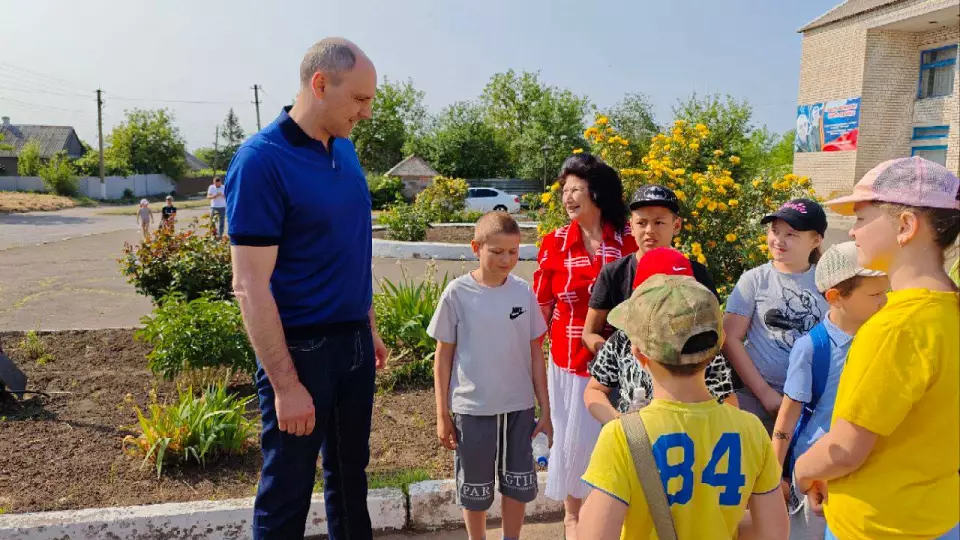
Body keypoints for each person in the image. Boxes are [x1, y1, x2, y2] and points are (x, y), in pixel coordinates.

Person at [225, 38, 387, 540]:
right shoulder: (261, 161)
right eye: (359, 100)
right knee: (287, 491)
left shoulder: (345, 149)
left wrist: (369, 326)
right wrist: (286, 384)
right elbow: (248, 284)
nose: (365, 113)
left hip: (354, 345)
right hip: (301, 350)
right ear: (320, 84)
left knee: (349, 483)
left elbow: (350, 246)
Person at [795, 157, 960, 540]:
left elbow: (845, 449)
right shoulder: (947, 312)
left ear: (905, 226)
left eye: (861, 218)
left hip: (878, 525)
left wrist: (805, 469)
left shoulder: (894, 326)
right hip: (941, 517)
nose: (853, 233)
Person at [578, 274, 789, 540]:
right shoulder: (751, 430)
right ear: (718, 345)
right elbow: (774, 532)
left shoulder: (622, 436)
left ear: (639, 354)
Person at [428, 212, 552, 540]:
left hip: (519, 408)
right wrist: (442, 414)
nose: (506, 259)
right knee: (475, 487)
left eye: (513, 252)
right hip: (473, 408)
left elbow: (535, 353)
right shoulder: (457, 294)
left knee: (517, 484)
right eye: (497, 251)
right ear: (476, 248)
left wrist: (546, 409)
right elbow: (442, 358)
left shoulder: (523, 293)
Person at [532, 152, 637, 539]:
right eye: (564, 190)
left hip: (623, 365)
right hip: (569, 361)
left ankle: (610, 513)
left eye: (576, 188)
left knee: (615, 441)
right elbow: (541, 307)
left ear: (598, 191)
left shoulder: (627, 238)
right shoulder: (555, 242)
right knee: (573, 440)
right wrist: (528, 365)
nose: (568, 197)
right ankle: (573, 517)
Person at [583, 185, 735, 425]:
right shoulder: (614, 274)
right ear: (630, 225)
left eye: (659, 223)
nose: (649, 231)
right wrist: (618, 355)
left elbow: (714, 336)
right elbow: (590, 333)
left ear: (676, 225)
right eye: (641, 223)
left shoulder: (697, 274)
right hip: (630, 390)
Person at [770, 242, 887, 540]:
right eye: (875, 294)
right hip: (815, 474)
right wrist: (772, 480)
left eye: (886, 291)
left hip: (863, 469)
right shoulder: (811, 348)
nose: (884, 301)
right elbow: (786, 419)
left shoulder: (882, 339)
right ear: (835, 297)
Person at [723, 198, 829, 433]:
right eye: (774, 231)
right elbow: (730, 338)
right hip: (756, 398)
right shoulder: (754, 280)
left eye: (791, 234)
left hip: (811, 402)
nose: (779, 240)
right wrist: (765, 394)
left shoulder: (826, 282)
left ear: (816, 240)